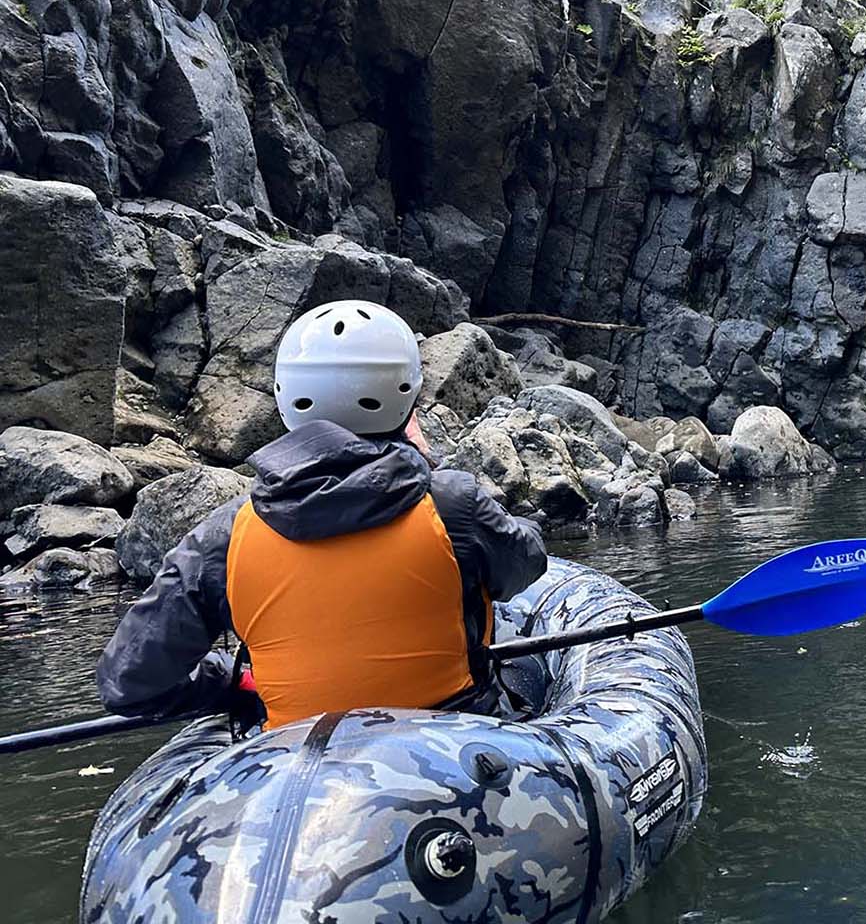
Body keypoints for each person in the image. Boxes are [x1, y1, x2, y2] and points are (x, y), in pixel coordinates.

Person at [97, 301, 545, 730]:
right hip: (452, 743)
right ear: (406, 396)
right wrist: (429, 468)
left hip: (292, 765)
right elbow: (526, 564)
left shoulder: (224, 535)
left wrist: (236, 682)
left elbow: (129, 684)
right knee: (522, 659)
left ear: (286, 395)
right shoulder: (451, 503)